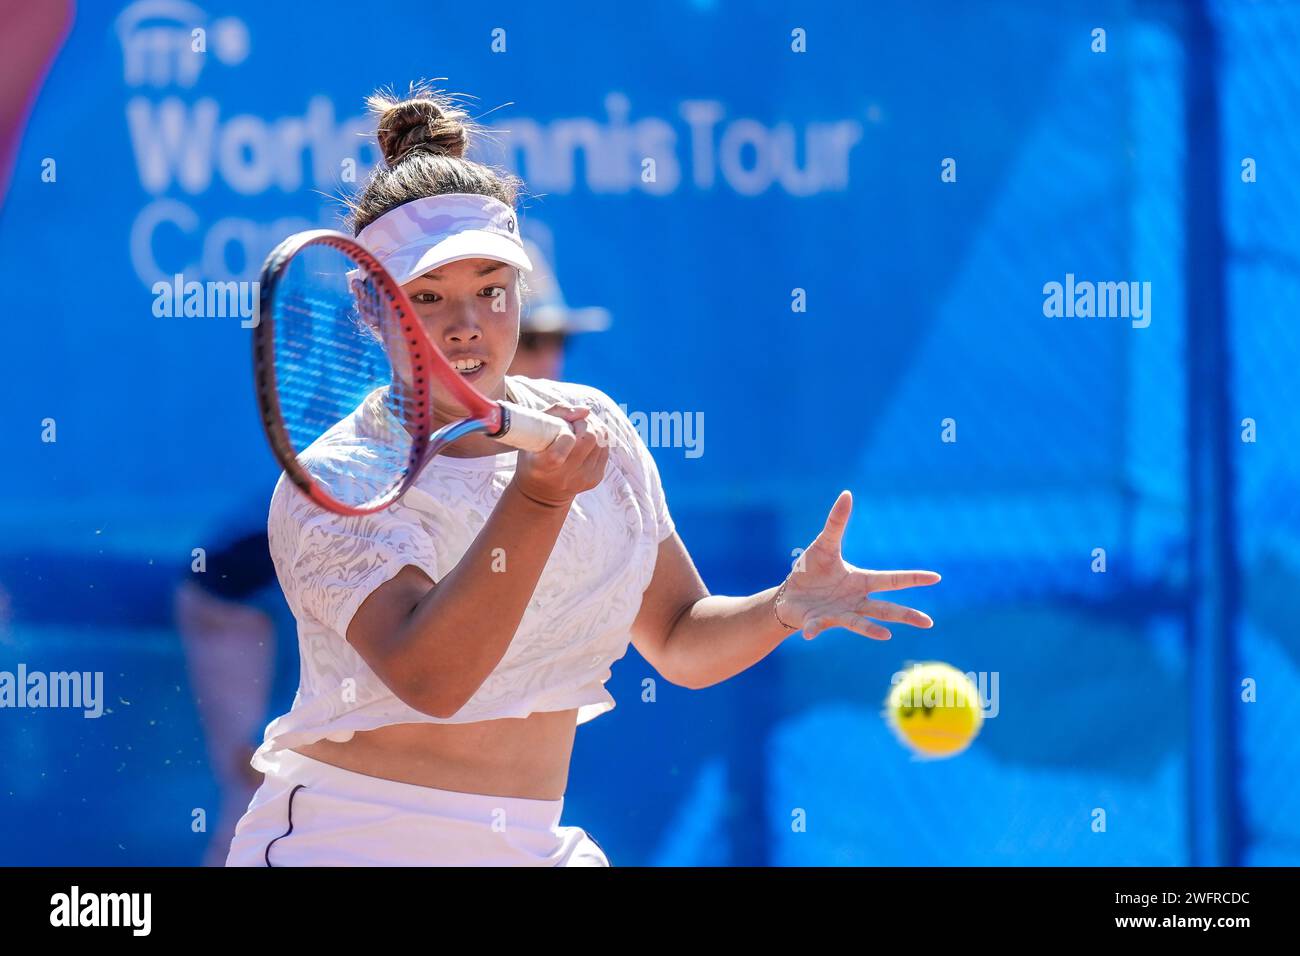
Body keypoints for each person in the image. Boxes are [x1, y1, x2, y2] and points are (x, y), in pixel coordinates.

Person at [225, 83, 940, 867]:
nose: (466, 324)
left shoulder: (593, 423)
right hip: (351, 845)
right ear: (369, 305)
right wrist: (538, 498)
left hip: (532, 845)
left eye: (491, 293)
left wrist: (783, 606)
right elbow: (433, 679)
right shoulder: (335, 480)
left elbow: (676, 638)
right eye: (427, 297)